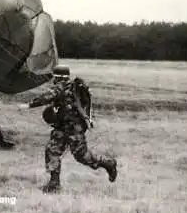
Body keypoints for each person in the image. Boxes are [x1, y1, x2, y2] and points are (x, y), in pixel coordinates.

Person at [18, 65, 117, 193]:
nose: (53, 79)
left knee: (82, 156)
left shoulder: (62, 86)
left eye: (54, 76)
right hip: (62, 127)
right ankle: (54, 185)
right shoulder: (68, 87)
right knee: (52, 150)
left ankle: (108, 163)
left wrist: (29, 105)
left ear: (57, 76)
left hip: (74, 129)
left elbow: (47, 97)